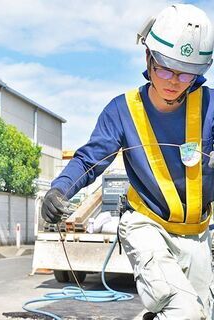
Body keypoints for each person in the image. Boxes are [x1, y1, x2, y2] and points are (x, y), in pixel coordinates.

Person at [41, 4, 214, 320]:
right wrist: (59, 189)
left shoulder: (210, 107)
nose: (174, 81)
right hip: (145, 224)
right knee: (180, 309)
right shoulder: (122, 111)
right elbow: (89, 159)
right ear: (148, 57)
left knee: (201, 314)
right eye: (165, 69)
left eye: (186, 73)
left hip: (197, 233)